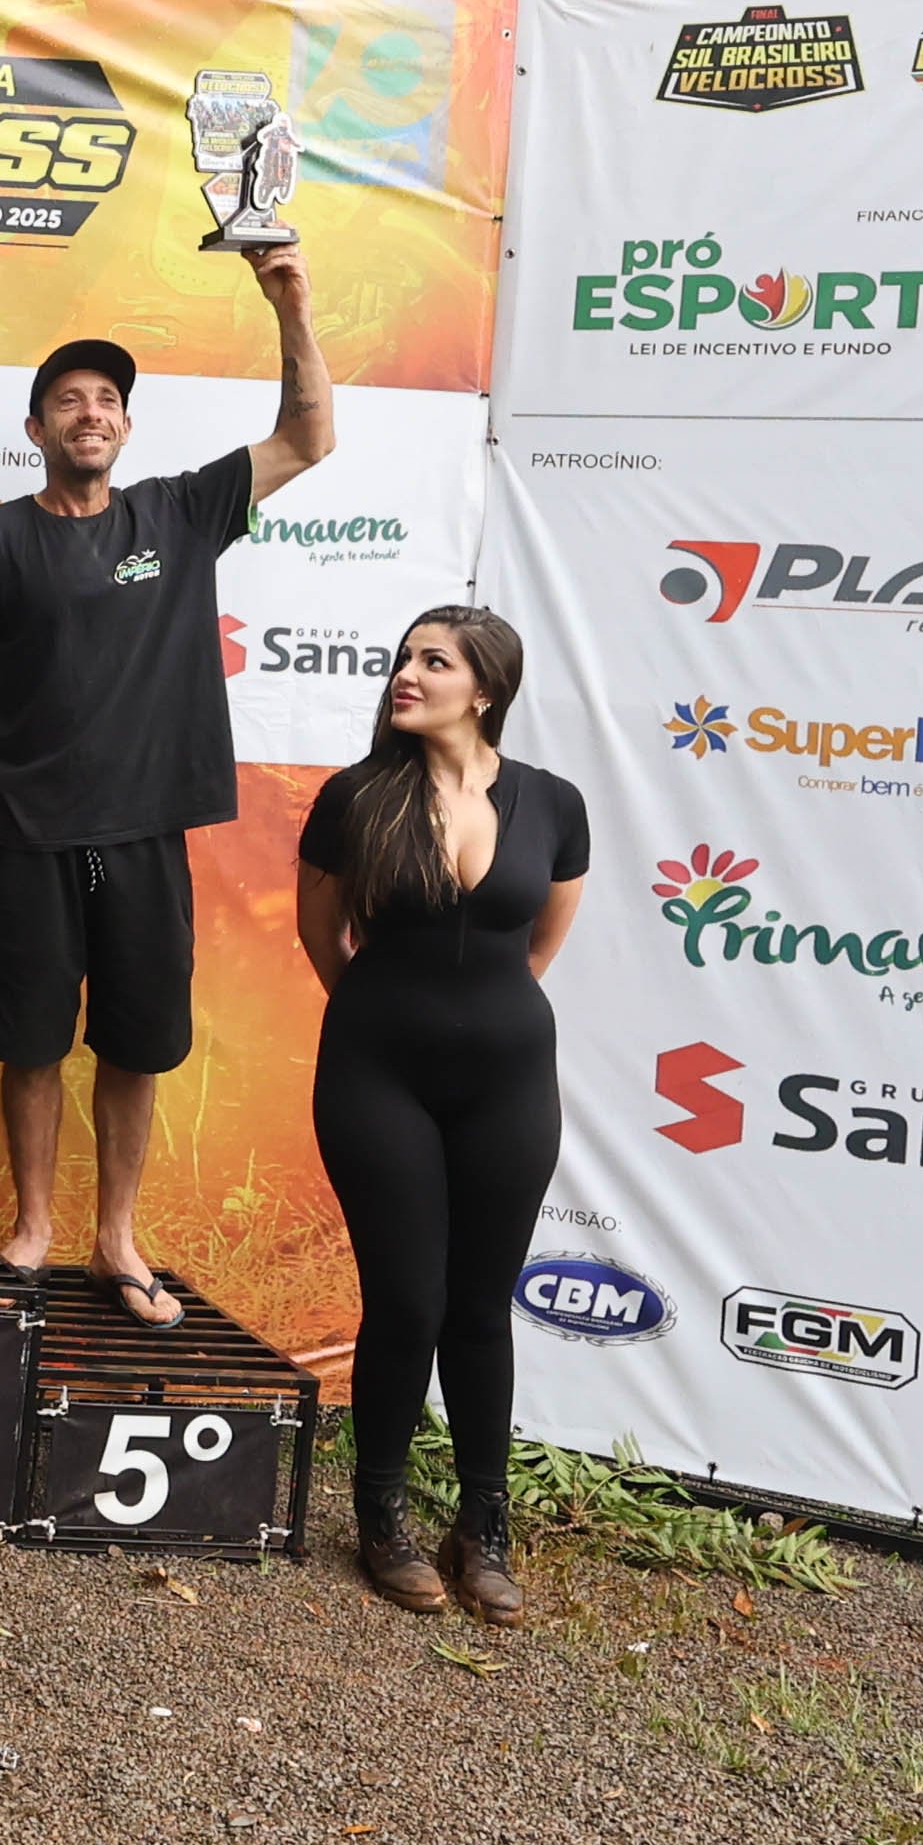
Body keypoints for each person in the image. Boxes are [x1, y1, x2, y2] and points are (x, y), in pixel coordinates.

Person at [0, 253, 338, 1325]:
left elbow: (308, 438)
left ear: (128, 428)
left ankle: (116, 1242)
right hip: (35, 837)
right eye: (68, 400)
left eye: (106, 400)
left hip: (145, 838)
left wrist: (291, 303)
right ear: (36, 428)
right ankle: (33, 1233)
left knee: (136, 1046)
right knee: (32, 1045)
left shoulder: (178, 513)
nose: (89, 413)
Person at [294, 609, 586, 1624]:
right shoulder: (356, 797)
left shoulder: (554, 803)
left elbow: (538, 945)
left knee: (478, 1307)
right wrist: (387, 1021)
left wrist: (475, 1020)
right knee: (408, 1302)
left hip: (511, 1081)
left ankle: (482, 1528)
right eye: (403, 660)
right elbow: (321, 933)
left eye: (433, 662)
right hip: (377, 1076)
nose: (405, 676)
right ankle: (380, 1516)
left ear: (486, 689)